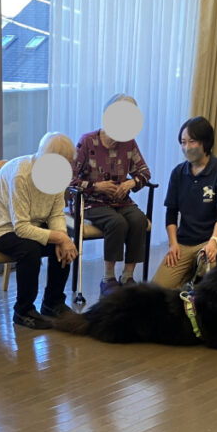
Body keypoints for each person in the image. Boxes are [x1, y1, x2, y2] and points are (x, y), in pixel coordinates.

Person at [0, 132, 78, 330]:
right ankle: (23, 310)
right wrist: (57, 236)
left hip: (30, 224)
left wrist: (62, 238)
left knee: (66, 244)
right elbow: (21, 228)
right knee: (29, 250)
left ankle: (53, 302)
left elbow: (57, 214)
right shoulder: (21, 175)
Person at [71, 94, 152, 294]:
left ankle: (128, 276)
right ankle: (108, 278)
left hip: (121, 202)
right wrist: (95, 186)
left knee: (139, 220)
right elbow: (69, 178)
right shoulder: (87, 141)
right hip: (90, 202)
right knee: (117, 223)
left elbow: (145, 173)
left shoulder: (129, 143)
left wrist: (131, 183)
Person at [152, 117, 217, 290]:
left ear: (205, 142)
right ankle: (190, 274)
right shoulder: (178, 173)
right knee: (157, 290)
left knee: (213, 278)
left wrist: (213, 242)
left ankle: (199, 284)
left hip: (213, 239)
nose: (186, 147)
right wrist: (173, 244)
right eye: (183, 142)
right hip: (184, 242)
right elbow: (171, 214)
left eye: (192, 142)